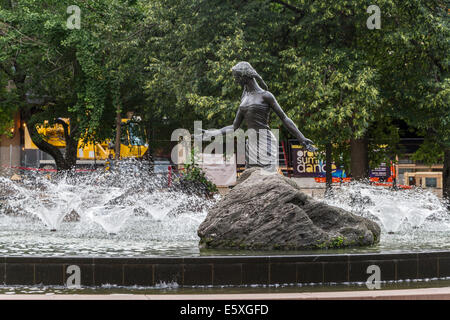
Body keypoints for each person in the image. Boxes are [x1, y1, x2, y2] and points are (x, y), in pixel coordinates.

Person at [203, 61, 317, 172]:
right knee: (251, 179)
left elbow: (284, 118)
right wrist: (214, 132)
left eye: (237, 77)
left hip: (265, 142)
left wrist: (301, 138)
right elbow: (234, 126)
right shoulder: (244, 98)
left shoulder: (265, 96)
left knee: (267, 178)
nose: (235, 80)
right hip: (251, 144)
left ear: (245, 76)